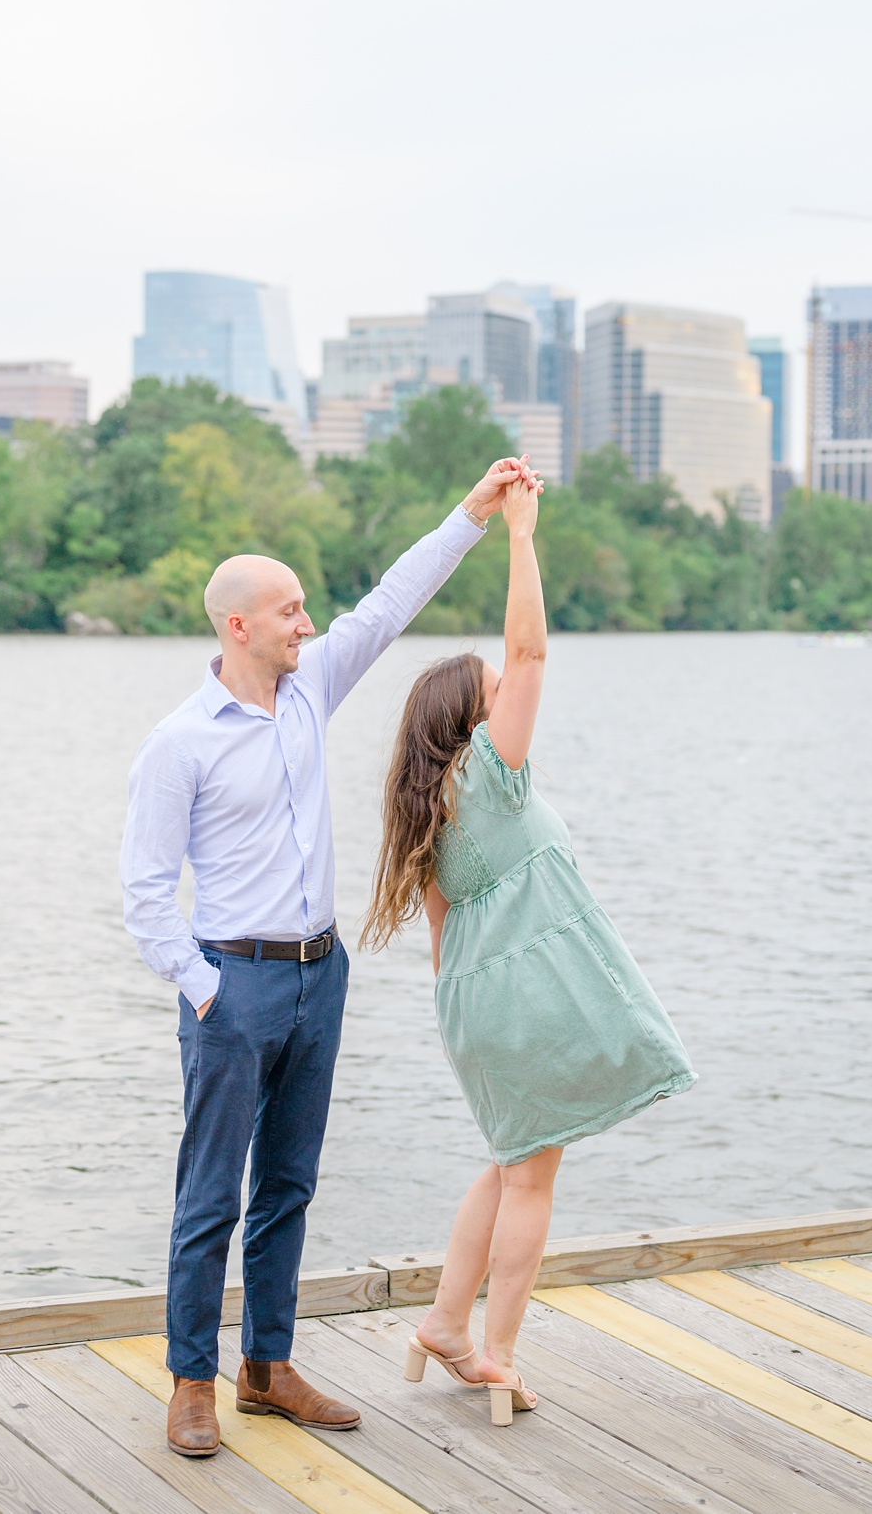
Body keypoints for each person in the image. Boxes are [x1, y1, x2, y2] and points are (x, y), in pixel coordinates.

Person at [120, 455, 537, 1459]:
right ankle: (190, 1382)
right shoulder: (179, 743)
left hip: (320, 972)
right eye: (291, 610)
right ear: (239, 627)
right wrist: (204, 986)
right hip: (235, 982)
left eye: (306, 609)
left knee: (291, 1183)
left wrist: (473, 511)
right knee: (209, 1193)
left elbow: (394, 600)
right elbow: (142, 892)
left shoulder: (312, 692)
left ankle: (266, 1368)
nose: (308, 623)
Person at [364, 472, 694, 1424]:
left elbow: (439, 942)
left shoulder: (425, 811)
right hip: (519, 997)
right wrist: (520, 532)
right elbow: (532, 647)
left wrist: (467, 1033)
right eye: (495, 692)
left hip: (471, 1005)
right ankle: (497, 1349)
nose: (510, 691)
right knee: (534, 1178)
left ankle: (443, 1322)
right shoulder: (491, 773)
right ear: (471, 721)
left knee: (511, 1160)